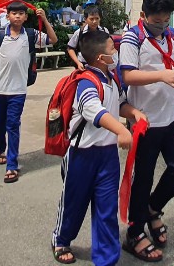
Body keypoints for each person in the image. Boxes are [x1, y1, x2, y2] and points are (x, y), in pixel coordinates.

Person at [51, 29, 145, 266]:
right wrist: (121, 130)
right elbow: (94, 110)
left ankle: (106, 259)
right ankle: (61, 239)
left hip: (108, 156)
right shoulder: (86, 82)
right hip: (81, 156)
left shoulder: (112, 78)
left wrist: (133, 113)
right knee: (74, 203)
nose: (116, 53)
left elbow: (119, 104)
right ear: (101, 58)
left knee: (107, 209)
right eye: (113, 49)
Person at [118, 0, 174, 261]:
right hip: (144, 119)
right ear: (143, 15)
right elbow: (127, 76)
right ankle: (135, 233)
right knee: (143, 177)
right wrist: (161, 75)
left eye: (166, 20)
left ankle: (152, 209)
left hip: (170, 115)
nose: (162, 25)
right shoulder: (132, 38)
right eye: (156, 20)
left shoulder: (172, 35)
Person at [0, 0, 56, 183]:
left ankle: (12, 165)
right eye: (14, 13)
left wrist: (44, 19)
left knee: (13, 125)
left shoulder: (31, 34)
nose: (17, 16)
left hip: (18, 90)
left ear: (25, 17)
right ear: (7, 16)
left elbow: (53, 40)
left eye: (21, 13)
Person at [65, 3, 105, 70]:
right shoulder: (79, 32)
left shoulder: (104, 31)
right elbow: (70, 48)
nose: (94, 21)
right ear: (85, 19)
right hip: (83, 66)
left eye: (97, 18)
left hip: (99, 66)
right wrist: (78, 63)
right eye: (91, 19)